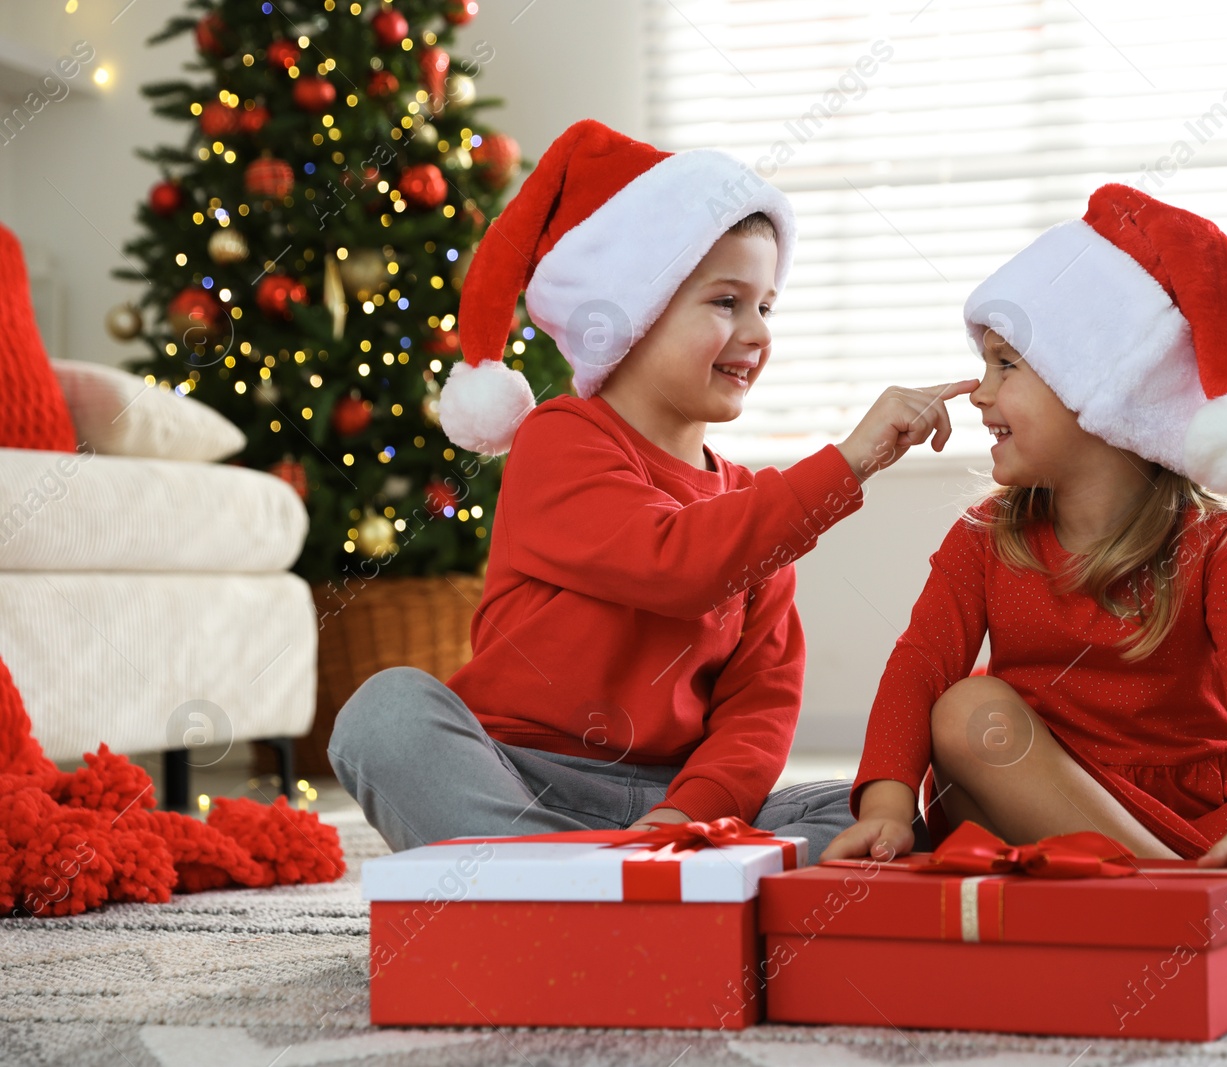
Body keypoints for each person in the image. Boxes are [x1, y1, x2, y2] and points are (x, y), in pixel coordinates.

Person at [822, 184, 1227, 946]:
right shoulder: (985, 537)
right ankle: (1196, 907)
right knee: (968, 712)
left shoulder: (1225, 542)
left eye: (1005, 364)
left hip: (1206, 815)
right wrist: (888, 805)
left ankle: (1206, 903)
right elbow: (920, 666)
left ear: (1101, 387)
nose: (979, 392)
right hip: (1046, 802)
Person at [329, 119, 972, 863]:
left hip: (676, 799)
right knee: (384, 715)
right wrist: (850, 461)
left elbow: (757, 710)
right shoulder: (560, 441)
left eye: (767, 305)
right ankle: (590, 883)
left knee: (866, 813)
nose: (757, 331)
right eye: (726, 301)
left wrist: (686, 815)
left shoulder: (757, 509)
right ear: (629, 318)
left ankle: (576, 885)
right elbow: (674, 562)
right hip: (521, 777)